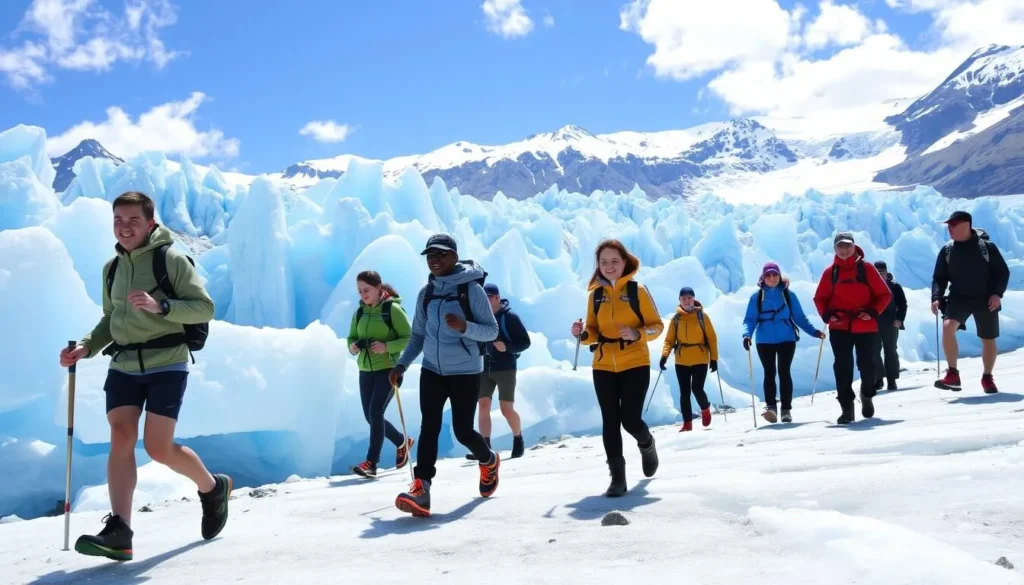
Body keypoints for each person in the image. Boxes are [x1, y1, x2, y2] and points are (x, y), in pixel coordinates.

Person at [58, 191, 229, 562]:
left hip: (167, 361)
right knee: (120, 434)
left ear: (150, 223)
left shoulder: (171, 258)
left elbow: (205, 307)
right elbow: (110, 319)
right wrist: (86, 347)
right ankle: (120, 530)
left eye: (133, 220)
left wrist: (161, 306)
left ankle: (213, 488)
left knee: (158, 448)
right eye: (118, 219)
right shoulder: (112, 268)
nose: (124, 227)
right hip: (122, 364)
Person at [388, 234, 500, 517]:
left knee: (463, 430)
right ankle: (421, 488)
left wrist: (465, 327)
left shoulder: (471, 290)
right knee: (430, 427)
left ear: (454, 256)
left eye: (440, 255)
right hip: (432, 370)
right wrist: (402, 366)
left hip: (465, 371)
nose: (434, 260)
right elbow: (417, 336)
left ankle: (488, 461)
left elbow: (491, 330)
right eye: (430, 255)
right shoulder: (426, 293)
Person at [570, 239, 663, 498]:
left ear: (625, 263)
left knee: (630, 419)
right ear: (598, 265)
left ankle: (647, 443)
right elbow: (593, 332)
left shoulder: (638, 291)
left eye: (614, 261)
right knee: (610, 421)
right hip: (602, 364)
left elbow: (657, 326)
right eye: (604, 262)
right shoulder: (596, 295)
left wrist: (637, 333)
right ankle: (618, 479)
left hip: (635, 362)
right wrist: (582, 334)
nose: (609, 266)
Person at [813, 232, 892, 424]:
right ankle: (847, 408)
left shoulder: (867, 269)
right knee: (842, 366)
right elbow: (820, 298)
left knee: (867, 364)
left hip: (865, 324)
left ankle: (867, 394)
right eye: (840, 246)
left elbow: (884, 294)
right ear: (835, 249)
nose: (844, 249)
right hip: (840, 325)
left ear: (854, 246)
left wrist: (872, 312)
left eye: (847, 245)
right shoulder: (831, 272)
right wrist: (827, 314)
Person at [931, 211, 1010, 393]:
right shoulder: (947, 250)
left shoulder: (987, 247)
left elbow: (1002, 273)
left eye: (954, 225)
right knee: (948, 326)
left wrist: (997, 294)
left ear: (967, 224)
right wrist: (936, 297)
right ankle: (953, 374)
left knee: (988, 339)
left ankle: (987, 377)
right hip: (958, 297)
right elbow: (939, 278)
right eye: (949, 225)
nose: (950, 229)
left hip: (985, 298)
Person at [346, 270, 414, 479]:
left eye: (366, 290)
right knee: (370, 415)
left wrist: (387, 346)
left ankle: (371, 463)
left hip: (389, 370)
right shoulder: (359, 312)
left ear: (378, 288)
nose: (362, 294)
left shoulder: (391, 310)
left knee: (375, 412)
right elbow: (351, 338)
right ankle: (402, 441)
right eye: (359, 291)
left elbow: (410, 338)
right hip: (365, 370)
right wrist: (354, 346)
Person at [742, 262, 825, 423]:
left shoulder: (788, 295)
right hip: (764, 340)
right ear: (763, 277)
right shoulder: (757, 297)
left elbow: (799, 317)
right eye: (769, 275)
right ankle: (771, 407)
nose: (772, 278)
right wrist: (747, 335)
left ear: (780, 276)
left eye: (775, 275)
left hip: (787, 338)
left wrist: (813, 331)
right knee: (769, 372)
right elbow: (750, 319)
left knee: (784, 372)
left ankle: (786, 409)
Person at [467, 283, 531, 460]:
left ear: (497, 297)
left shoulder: (509, 318)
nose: (485, 301)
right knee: (483, 405)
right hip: (483, 368)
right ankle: (484, 448)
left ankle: (518, 438)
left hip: (505, 368)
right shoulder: (479, 317)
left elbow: (525, 342)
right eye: (483, 298)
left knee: (506, 409)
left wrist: (507, 347)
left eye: (488, 297)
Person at [659, 286, 718, 432]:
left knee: (697, 389)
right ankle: (687, 424)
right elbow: (669, 340)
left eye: (689, 297)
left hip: (700, 357)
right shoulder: (676, 319)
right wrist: (664, 355)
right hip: (682, 359)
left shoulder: (702, 317)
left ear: (694, 298)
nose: (686, 300)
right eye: (683, 298)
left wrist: (714, 359)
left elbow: (711, 339)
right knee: (684, 392)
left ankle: (705, 408)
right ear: (679, 300)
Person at [871, 261, 907, 391]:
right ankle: (879, 378)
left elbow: (902, 304)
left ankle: (891, 380)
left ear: (886, 272)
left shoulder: (895, 287)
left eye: (882, 272)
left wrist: (900, 319)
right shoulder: (869, 287)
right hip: (873, 323)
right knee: (873, 351)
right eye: (877, 272)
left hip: (891, 323)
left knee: (890, 350)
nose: (880, 274)